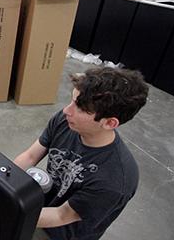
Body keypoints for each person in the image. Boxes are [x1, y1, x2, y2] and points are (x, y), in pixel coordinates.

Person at [14, 67, 148, 240]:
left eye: (81, 108)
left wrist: (10, 210)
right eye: (72, 101)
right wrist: (3, 187)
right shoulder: (66, 122)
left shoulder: (114, 181)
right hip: (42, 209)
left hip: (61, 233)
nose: (66, 111)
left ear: (109, 123)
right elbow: (30, 156)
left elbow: (62, 215)